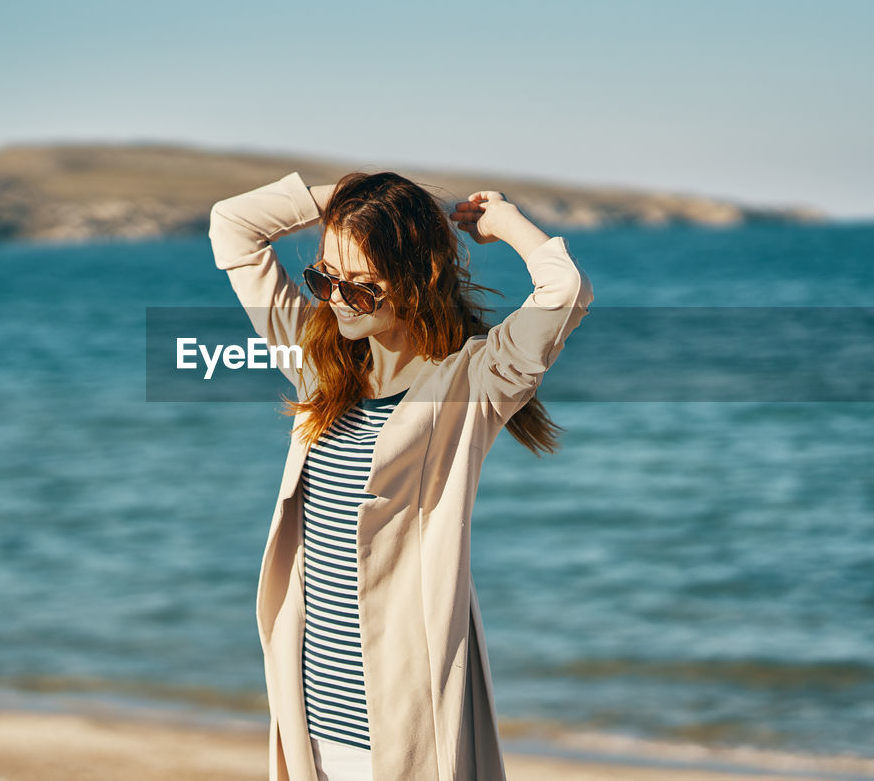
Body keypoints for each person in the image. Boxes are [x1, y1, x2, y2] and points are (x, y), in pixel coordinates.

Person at [209, 170, 592, 781]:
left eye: (362, 288)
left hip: (402, 728)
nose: (336, 300)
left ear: (416, 283)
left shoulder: (472, 384)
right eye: (324, 279)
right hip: (308, 716)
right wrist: (355, 201)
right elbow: (233, 227)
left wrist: (506, 224)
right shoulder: (317, 362)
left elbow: (564, 292)